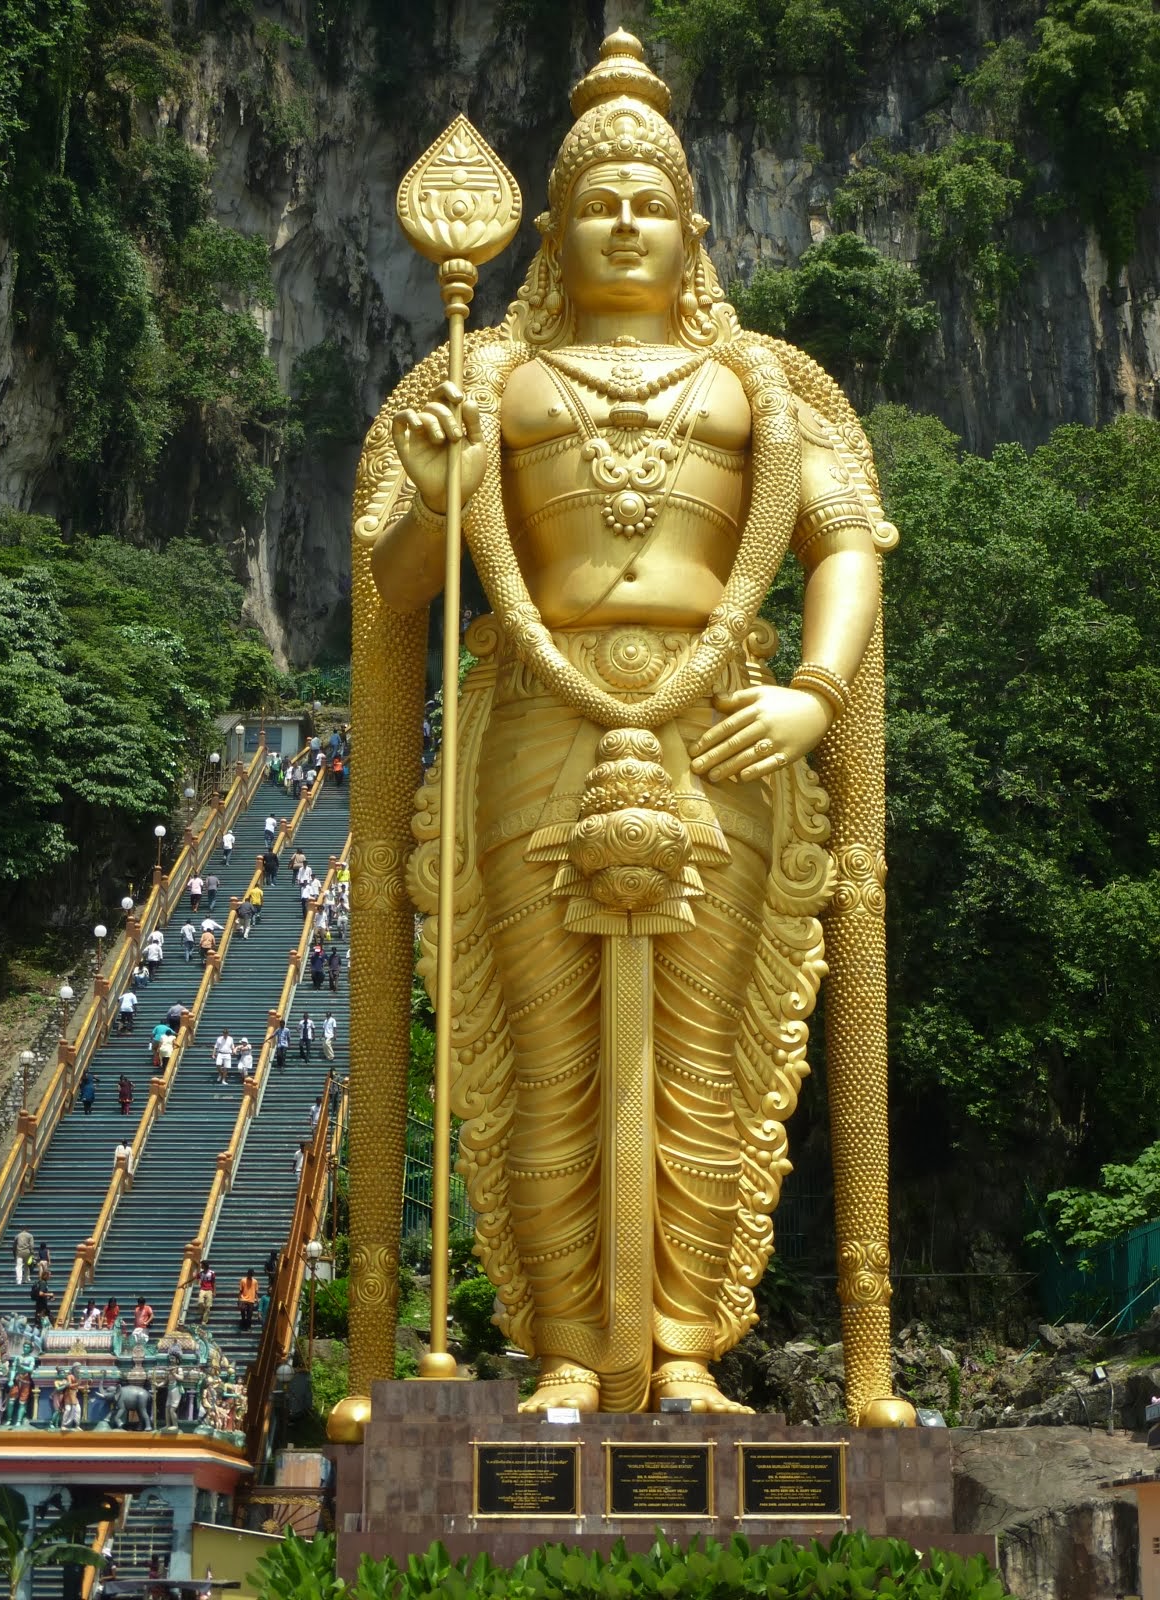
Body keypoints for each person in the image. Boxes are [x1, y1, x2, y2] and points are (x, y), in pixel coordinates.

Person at [356, 30, 899, 1419]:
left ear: (693, 228)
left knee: (708, 1059)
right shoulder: (485, 380)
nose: (625, 218)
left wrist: (813, 693)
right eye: (599, 197)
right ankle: (562, 1350)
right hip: (538, 716)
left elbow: (846, 546)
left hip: (726, 727)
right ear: (551, 226)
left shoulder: (766, 386)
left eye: (651, 199)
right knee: (544, 1056)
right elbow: (405, 587)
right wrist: (437, 489)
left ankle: (681, 1351)